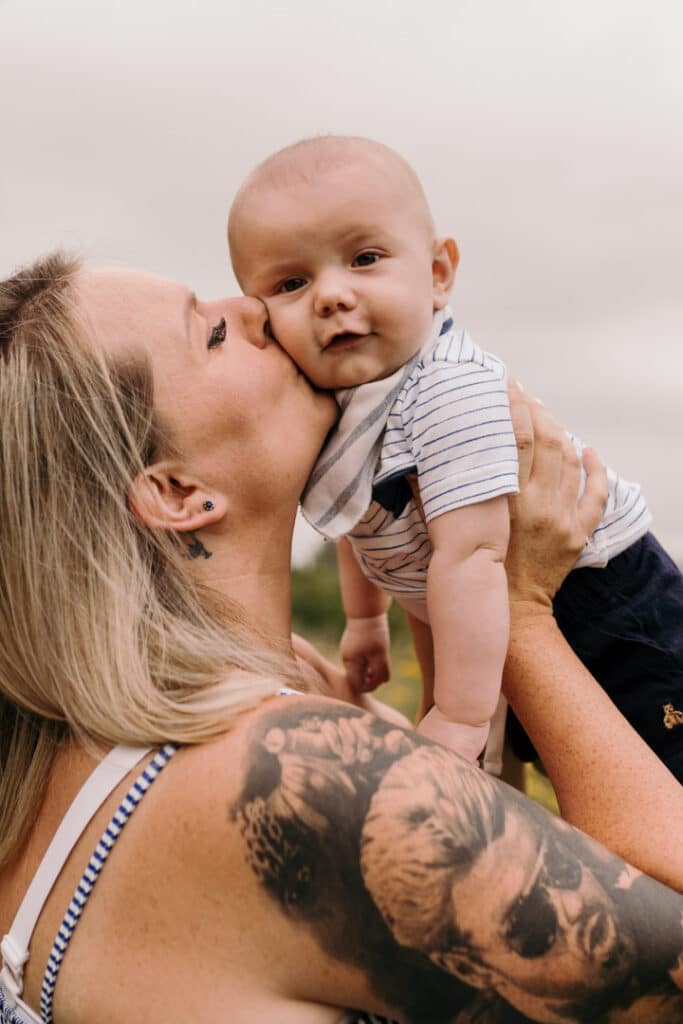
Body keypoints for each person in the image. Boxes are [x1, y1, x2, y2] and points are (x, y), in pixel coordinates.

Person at [1, 253, 682, 1024]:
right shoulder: (286, 768)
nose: (260, 308)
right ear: (177, 492)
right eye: (214, 332)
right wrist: (520, 609)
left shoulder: (78, 766)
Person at [227, 135, 683, 778]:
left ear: (437, 275)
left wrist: (460, 717)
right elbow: (363, 514)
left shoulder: (444, 390)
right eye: (291, 282)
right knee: (565, 785)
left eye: (364, 258)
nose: (330, 295)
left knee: (651, 777)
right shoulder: (348, 406)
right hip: (491, 617)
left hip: (602, 601)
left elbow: (474, 556)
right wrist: (365, 621)